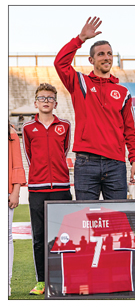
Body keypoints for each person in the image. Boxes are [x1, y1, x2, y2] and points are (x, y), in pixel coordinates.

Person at [54, 16, 135, 200]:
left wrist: (134, 160)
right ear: (91, 59)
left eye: (109, 53)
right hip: (86, 162)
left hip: (116, 164)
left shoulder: (123, 92)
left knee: (117, 220)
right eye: (101, 54)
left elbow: (130, 130)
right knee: (86, 219)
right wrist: (80, 39)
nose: (106, 57)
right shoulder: (80, 83)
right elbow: (60, 63)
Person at [22, 83, 72, 295]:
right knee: (40, 237)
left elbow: (65, 150)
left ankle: (64, 278)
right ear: (35, 102)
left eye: (50, 98)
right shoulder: (26, 128)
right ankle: (42, 281)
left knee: (65, 236)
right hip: (37, 189)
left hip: (61, 187)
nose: (46, 101)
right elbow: (29, 156)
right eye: (42, 97)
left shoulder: (65, 126)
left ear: (55, 103)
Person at [8, 122, 27, 296]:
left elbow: (17, 163)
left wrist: (15, 191)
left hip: (6, 192)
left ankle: (5, 283)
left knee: (6, 237)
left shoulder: (10, 132)